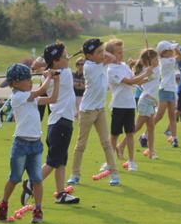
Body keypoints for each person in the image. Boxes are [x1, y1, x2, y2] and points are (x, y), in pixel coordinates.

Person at [0, 64, 59, 224]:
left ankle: (37, 210)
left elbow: (53, 99)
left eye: (31, 79)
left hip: (35, 144)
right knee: (15, 178)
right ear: (16, 83)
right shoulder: (18, 96)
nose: (30, 82)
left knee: (37, 179)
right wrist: (48, 77)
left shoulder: (30, 96)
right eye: (27, 79)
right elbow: (39, 91)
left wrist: (56, 80)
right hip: (21, 145)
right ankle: (3, 203)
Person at [23, 43, 79, 205]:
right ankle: (31, 183)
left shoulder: (51, 74)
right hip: (60, 122)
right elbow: (41, 65)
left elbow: (39, 64)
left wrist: (44, 70)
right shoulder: (64, 73)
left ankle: (61, 193)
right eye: (64, 56)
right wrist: (46, 70)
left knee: (61, 160)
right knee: (54, 161)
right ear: (55, 61)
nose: (68, 58)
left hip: (59, 122)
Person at [68, 38, 120, 187]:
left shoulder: (99, 62)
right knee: (81, 144)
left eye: (102, 51)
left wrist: (98, 50)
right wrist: (98, 52)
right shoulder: (90, 66)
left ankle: (114, 174)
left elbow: (112, 57)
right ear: (89, 56)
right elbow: (111, 58)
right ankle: (75, 174)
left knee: (106, 143)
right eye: (98, 52)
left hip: (100, 110)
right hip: (87, 111)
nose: (103, 54)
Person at [107, 39, 152, 171]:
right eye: (118, 53)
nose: (121, 55)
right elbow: (130, 81)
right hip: (118, 105)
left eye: (122, 52)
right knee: (114, 135)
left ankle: (131, 161)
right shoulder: (111, 69)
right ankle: (109, 162)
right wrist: (145, 73)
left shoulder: (124, 66)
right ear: (110, 55)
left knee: (130, 134)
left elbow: (136, 80)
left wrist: (147, 77)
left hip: (129, 105)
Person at [129, 49, 160, 159]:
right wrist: (147, 73)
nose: (158, 61)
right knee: (137, 127)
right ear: (149, 61)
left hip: (150, 101)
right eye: (156, 59)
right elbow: (138, 82)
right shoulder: (148, 70)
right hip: (145, 100)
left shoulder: (155, 69)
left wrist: (148, 72)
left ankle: (151, 152)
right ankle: (121, 145)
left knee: (151, 127)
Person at [154, 41, 181, 148]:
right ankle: (145, 135)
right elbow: (179, 56)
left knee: (172, 116)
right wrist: (176, 46)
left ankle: (174, 138)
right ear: (163, 53)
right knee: (159, 115)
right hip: (165, 89)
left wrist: (174, 46)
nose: (171, 52)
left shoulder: (167, 59)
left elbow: (178, 55)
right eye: (169, 50)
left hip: (171, 90)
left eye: (171, 50)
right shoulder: (166, 61)